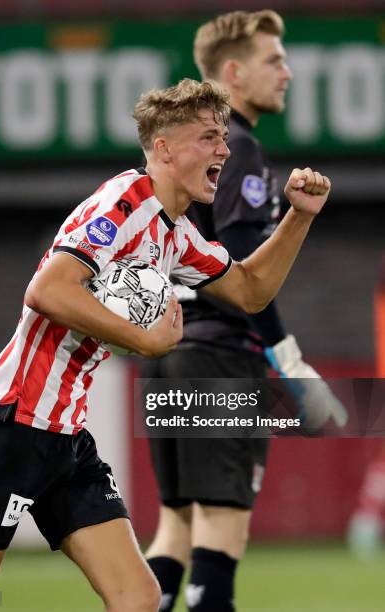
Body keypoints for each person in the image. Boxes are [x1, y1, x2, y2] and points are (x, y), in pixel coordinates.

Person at [0, 77, 330, 612]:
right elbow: (47, 290)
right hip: (13, 422)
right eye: (208, 137)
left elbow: (250, 291)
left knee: (138, 599)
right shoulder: (123, 203)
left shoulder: (178, 232)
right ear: (163, 148)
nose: (224, 150)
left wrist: (299, 216)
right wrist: (143, 340)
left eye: (225, 138)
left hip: (64, 432)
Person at [143, 11, 343, 612]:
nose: (287, 71)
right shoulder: (241, 151)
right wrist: (291, 363)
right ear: (233, 71)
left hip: (169, 352)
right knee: (223, 529)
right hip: (219, 358)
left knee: (176, 529)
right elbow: (240, 267)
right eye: (273, 59)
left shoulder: (183, 155)